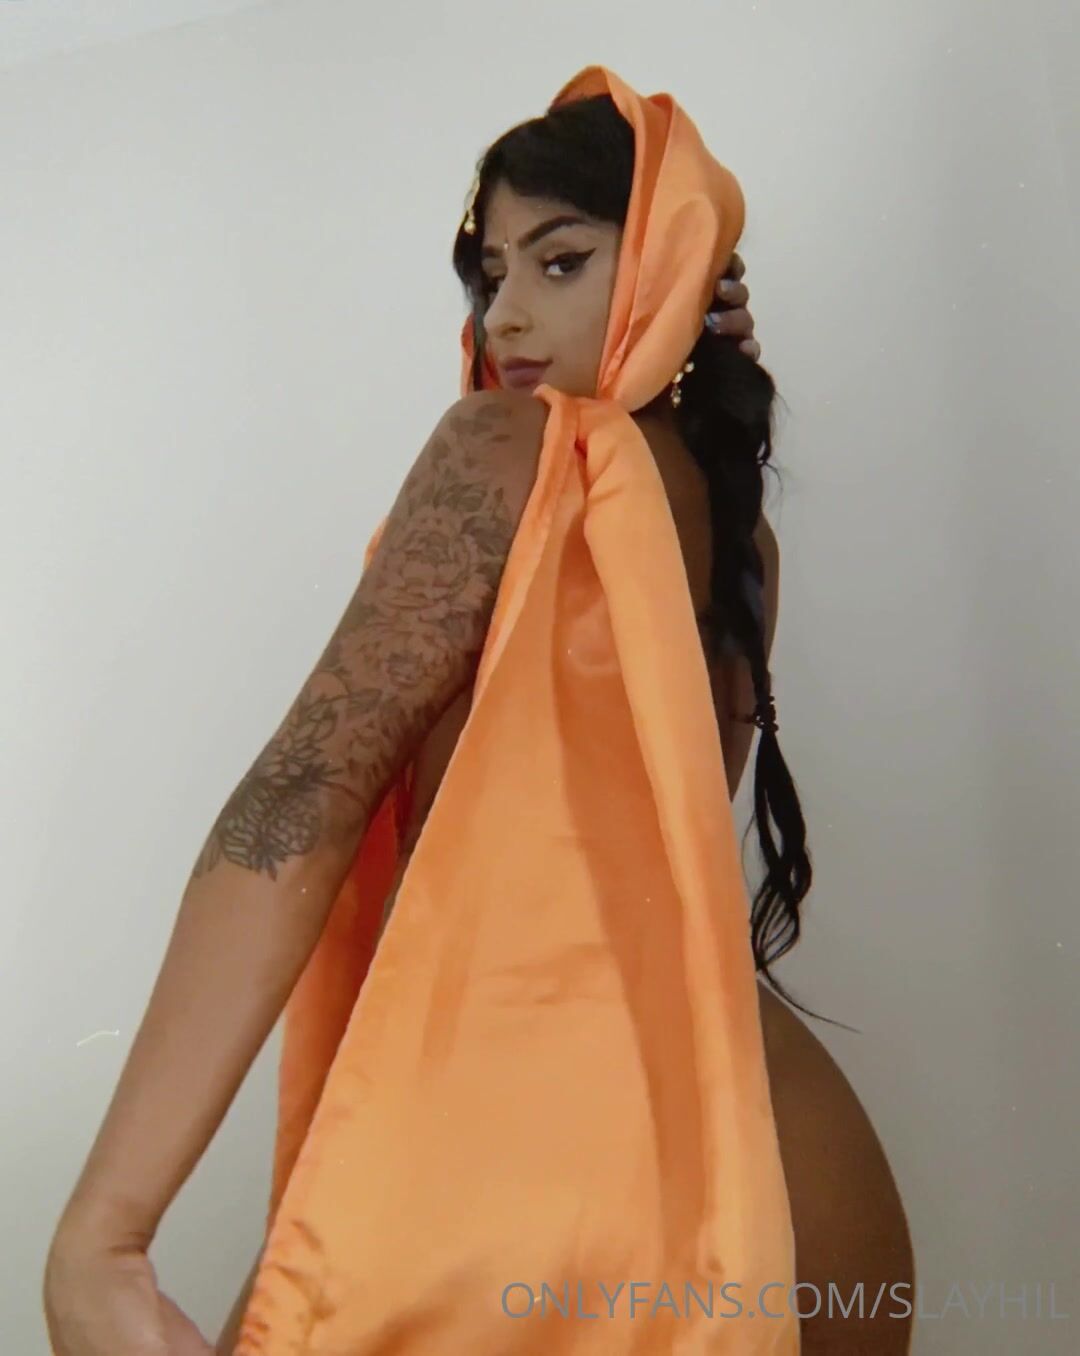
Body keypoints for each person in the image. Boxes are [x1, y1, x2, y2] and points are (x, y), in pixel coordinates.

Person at [43, 69, 912, 1356]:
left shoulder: (501, 450)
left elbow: (301, 796)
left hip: (530, 1187)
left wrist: (104, 1231)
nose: (505, 314)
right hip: (788, 1178)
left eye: (561, 262)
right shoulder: (745, 548)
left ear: (668, 265)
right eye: (491, 272)